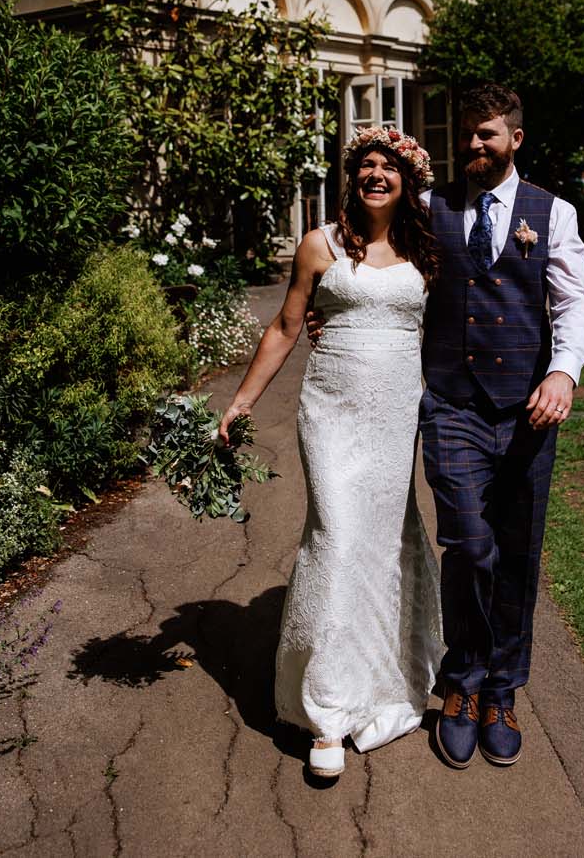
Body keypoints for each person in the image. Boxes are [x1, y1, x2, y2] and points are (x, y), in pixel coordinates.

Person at [218, 126, 443, 780]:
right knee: (336, 540)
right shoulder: (319, 244)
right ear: (353, 179)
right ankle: (325, 713)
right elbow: (288, 324)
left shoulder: (426, 247)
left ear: (406, 178)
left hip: (397, 413)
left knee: (380, 542)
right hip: (330, 411)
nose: (376, 174)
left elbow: (453, 322)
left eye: (388, 166)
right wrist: (239, 403)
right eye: (366, 165)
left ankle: (385, 675)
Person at [420, 82, 584, 769]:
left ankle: (501, 690)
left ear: (514, 138)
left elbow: (572, 304)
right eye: (465, 134)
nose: (472, 145)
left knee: (517, 552)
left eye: (485, 133)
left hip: (525, 411)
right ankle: (459, 680)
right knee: (467, 543)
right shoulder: (431, 208)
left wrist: (563, 372)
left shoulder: (551, 212)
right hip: (454, 405)